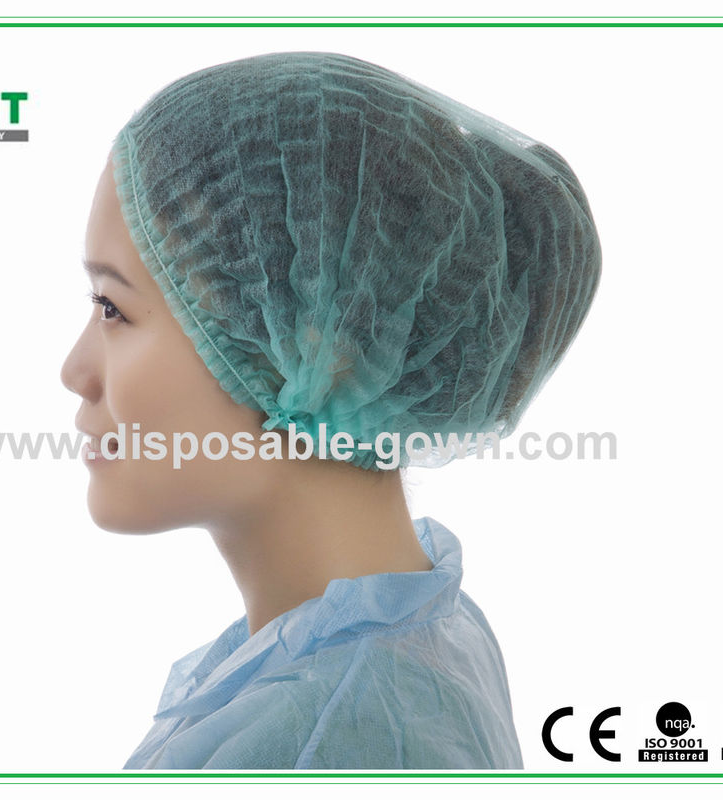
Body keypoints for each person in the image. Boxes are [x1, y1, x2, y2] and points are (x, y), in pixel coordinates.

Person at [60, 51, 601, 770]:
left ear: (320, 344)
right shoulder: (423, 632)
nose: (74, 372)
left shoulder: (313, 743)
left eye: (113, 308)